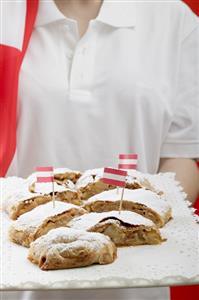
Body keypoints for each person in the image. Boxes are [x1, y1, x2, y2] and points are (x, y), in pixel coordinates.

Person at [1, 0, 199, 300]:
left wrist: (140, 223)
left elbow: (180, 154)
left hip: (138, 281)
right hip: (19, 278)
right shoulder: (8, 15)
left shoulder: (172, 18)